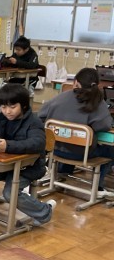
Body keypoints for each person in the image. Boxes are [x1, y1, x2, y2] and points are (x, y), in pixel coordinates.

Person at [0, 84, 56, 225]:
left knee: (10, 193)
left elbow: (37, 143)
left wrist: (8, 145)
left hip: (28, 167)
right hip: (3, 165)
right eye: (3, 107)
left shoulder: (34, 122)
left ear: (24, 105)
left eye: (12, 107)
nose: (7, 111)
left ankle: (45, 212)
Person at [38, 67, 114, 197]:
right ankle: (98, 186)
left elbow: (41, 115)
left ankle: (62, 172)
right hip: (82, 154)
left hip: (55, 150)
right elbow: (105, 125)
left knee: (71, 142)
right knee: (110, 149)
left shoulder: (60, 97)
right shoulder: (97, 102)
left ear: (75, 82)